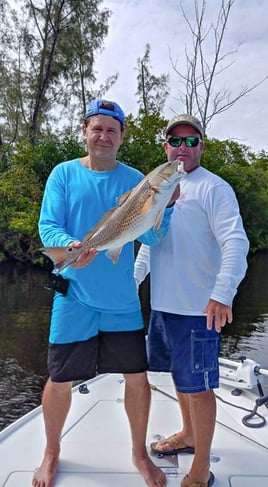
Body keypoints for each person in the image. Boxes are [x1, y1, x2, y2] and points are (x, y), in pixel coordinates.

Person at [33, 99, 177, 487]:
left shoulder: (136, 180)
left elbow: (149, 234)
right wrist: (69, 245)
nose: (103, 136)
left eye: (112, 130)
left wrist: (165, 208)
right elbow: (49, 225)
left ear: (122, 136)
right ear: (84, 132)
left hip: (121, 301)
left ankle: (139, 453)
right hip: (73, 296)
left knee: (137, 377)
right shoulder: (63, 174)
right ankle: (51, 452)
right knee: (59, 377)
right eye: (97, 128)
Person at [134, 114, 249, 487]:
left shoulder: (215, 188)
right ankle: (188, 434)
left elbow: (236, 242)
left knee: (199, 389)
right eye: (175, 141)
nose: (182, 147)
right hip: (164, 309)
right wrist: (132, 285)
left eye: (191, 141)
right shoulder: (157, 189)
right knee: (180, 380)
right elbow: (150, 246)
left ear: (201, 146)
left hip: (198, 311)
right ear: (165, 146)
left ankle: (201, 468)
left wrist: (222, 293)